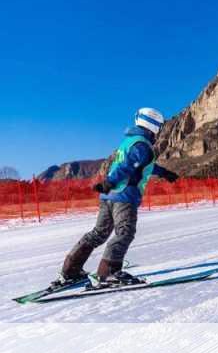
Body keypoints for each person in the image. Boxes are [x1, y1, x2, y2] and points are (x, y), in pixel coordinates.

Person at [54, 108, 180, 288]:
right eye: (160, 125)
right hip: (124, 196)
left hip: (109, 196)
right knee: (125, 232)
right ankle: (109, 273)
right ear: (154, 125)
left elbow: (141, 165)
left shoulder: (130, 142)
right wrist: (110, 182)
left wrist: (164, 172)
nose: (160, 129)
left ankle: (70, 270)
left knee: (98, 233)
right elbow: (129, 167)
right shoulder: (143, 145)